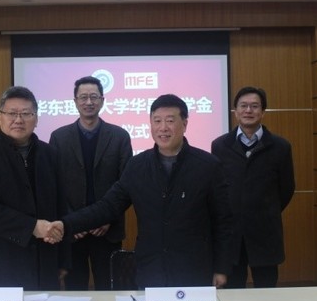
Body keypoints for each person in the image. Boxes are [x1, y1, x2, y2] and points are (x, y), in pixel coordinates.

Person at [62, 94, 234, 288]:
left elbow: (223, 221)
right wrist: (65, 224)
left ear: (185, 124)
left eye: (170, 121)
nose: (163, 128)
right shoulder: (137, 166)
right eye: (157, 121)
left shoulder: (208, 166)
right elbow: (108, 207)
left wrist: (222, 268)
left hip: (194, 270)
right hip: (151, 271)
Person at [0, 86, 65, 290]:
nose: (18, 120)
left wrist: (63, 260)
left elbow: (61, 208)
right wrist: (32, 227)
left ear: (36, 119)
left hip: (44, 262)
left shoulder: (51, 155)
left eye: (26, 114)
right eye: (12, 113)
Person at [49, 76, 133, 290]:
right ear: (75, 101)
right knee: (74, 291)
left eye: (94, 97)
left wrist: (107, 218)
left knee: (110, 290)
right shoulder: (58, 137)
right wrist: (71, 222)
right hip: (72, 233)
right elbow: (53, 184)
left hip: (106, 230)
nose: (89, 102)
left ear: (102, 100)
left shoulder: (120, 136)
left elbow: (126, 183)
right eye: (83, 97)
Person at [211, 86, 295, 288]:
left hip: (265, 232)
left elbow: (286, 188)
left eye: (254, 106)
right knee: (233, 294)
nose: (248, 110)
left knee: (267, 293)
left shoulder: (280, 147)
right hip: (232, 235)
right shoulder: (220, 146)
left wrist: (265, 210)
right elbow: (217, 188)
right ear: (235, 111)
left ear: (263, 111)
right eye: (243, 106)